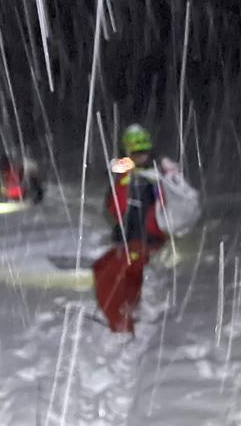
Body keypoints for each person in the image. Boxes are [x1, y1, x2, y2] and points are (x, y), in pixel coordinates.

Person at [93, 124, 170, 333]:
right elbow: (115, 209)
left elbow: (124, 209)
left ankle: (121, 320)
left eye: (141, 153)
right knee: (118, 272)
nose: (138, 158)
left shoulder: (153, 178)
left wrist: (125, 181)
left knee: (112, 275)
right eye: (134, 154)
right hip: (135, 239)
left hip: (144, 240)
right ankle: (128, 310)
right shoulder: (134, 174)